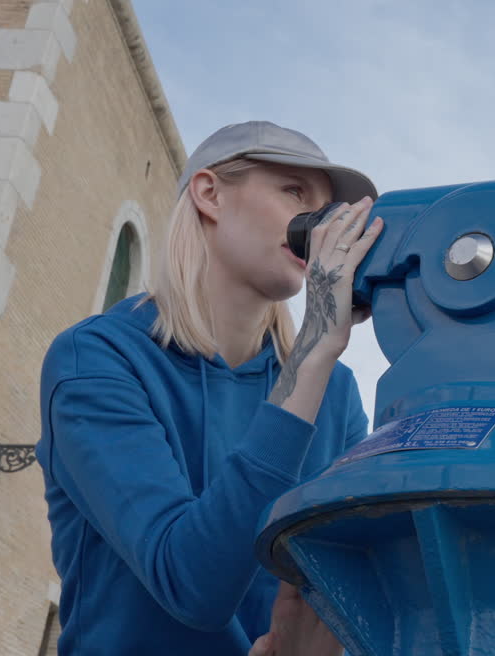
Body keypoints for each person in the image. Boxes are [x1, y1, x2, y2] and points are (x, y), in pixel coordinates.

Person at [36, 121, 384, 655]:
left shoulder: (334, 390)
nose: (318, 226)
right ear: (209, 194)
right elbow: (193, 585)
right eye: (294, 192)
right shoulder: (98, 359)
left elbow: (357, 577)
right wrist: (315, 347)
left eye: (330, 212)